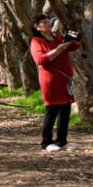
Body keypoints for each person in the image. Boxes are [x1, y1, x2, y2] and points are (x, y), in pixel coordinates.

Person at [29, 14, 82, 151]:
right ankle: (46, 142)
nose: (48, 24)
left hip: (66, 79)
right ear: (36, 26)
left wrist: (74, 40)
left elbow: (71, 48)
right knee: (52, 109)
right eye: (44, 22)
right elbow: (40, 59)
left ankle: (61, 141)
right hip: (50, 79)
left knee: (66, 109)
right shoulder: (36, 41)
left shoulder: (58, 37)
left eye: (49, 21)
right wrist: (58, 49)